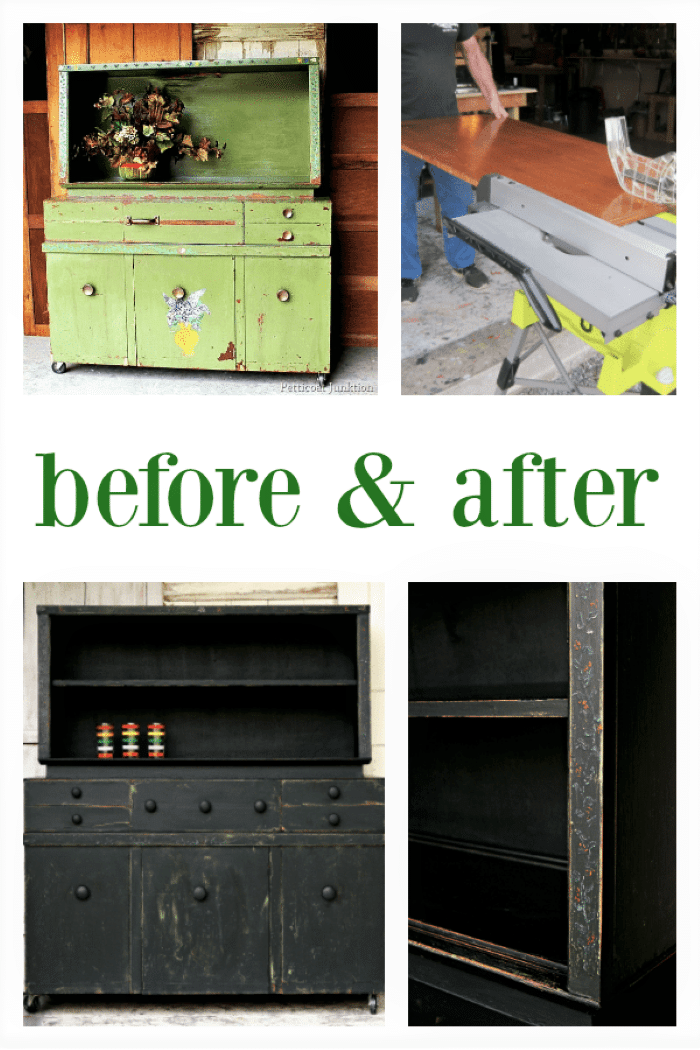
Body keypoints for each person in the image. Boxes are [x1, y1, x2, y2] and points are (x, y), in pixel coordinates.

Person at [402, 24, 508, 302]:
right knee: (400, 202)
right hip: (400, 124)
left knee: (458, 197)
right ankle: (405, 273)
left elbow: (473, 51)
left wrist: (494, 101)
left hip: (447, 122)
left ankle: (464, 263)